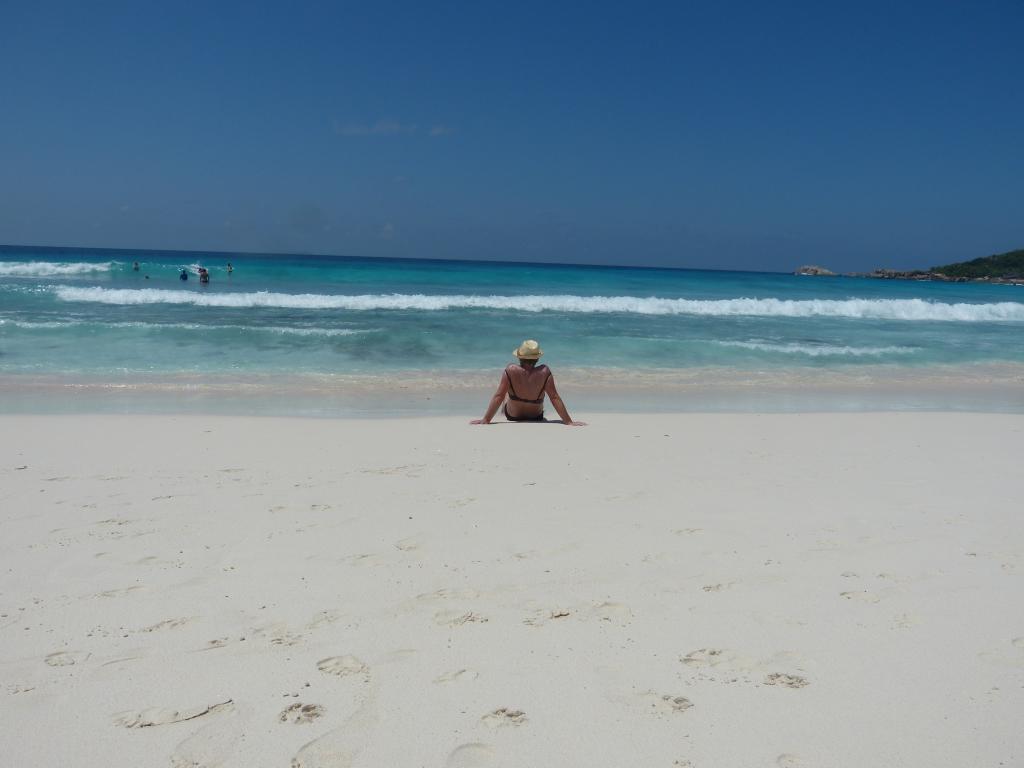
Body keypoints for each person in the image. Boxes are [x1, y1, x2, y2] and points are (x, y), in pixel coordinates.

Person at [471, 339, 585, 426]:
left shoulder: (511, 370)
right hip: (536, 416)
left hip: (513, 416)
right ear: (537, 359)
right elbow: (554, 398)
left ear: (520, 357)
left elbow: (498, 396)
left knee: (505, 393)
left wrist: (486, 419)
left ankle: (504, 408)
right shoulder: (545, 371)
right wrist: (568, 421)